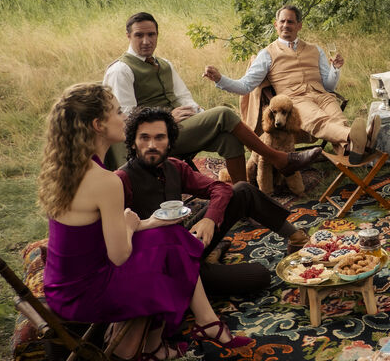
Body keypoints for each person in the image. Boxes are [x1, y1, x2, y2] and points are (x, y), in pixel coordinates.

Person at [39, 83, 251, 361]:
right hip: (84, 294)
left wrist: (147, 222)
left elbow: (92, 237)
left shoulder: (70, 166)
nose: (123, 117)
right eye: (117, 111)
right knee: (166, 261)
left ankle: (205, 323)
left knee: (170, 233)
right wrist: (128, 225)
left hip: (63, 284)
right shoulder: (105, 182)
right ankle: (136, 349)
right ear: (98, 125)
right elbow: (119, 255)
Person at [103, 12, 321, 181]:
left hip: (177, 128)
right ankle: (278, 159)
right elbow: (127, 120)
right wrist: (166, 117)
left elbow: (184, 98)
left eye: (151, 35)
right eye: (139, 35)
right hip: (152, 138)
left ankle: (242, 193)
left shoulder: (164, 64)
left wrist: (204, 119)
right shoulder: (121, 70)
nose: (146, 40)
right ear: (128, 36)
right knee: (225, 113)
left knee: (229, 137)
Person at [115, 107, 310, 295]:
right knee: (259, 275)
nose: (152, 145)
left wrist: (210, 219)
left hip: (185, 239)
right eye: (144, 138)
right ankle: (208, 260)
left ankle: (298, 238)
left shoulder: (174, 167)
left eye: (159, 137)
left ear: (170, 141)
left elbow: (221, 188)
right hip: (162, 264)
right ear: (132, 142)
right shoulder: (121, 180)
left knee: (241, 190)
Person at [202, 4, 376, 162]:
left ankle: (351, 151)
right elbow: (245, 86)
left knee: (339, 120)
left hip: (322, 95)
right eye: (282, 21)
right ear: (276, 25)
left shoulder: (315, 50)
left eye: (291, 22)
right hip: (295, 99)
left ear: (299, 25)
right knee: (320, 121)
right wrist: (219, 79)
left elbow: (329, 86)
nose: (286, 25)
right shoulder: (267, 53)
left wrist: (335, 69)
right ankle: (358, 139)